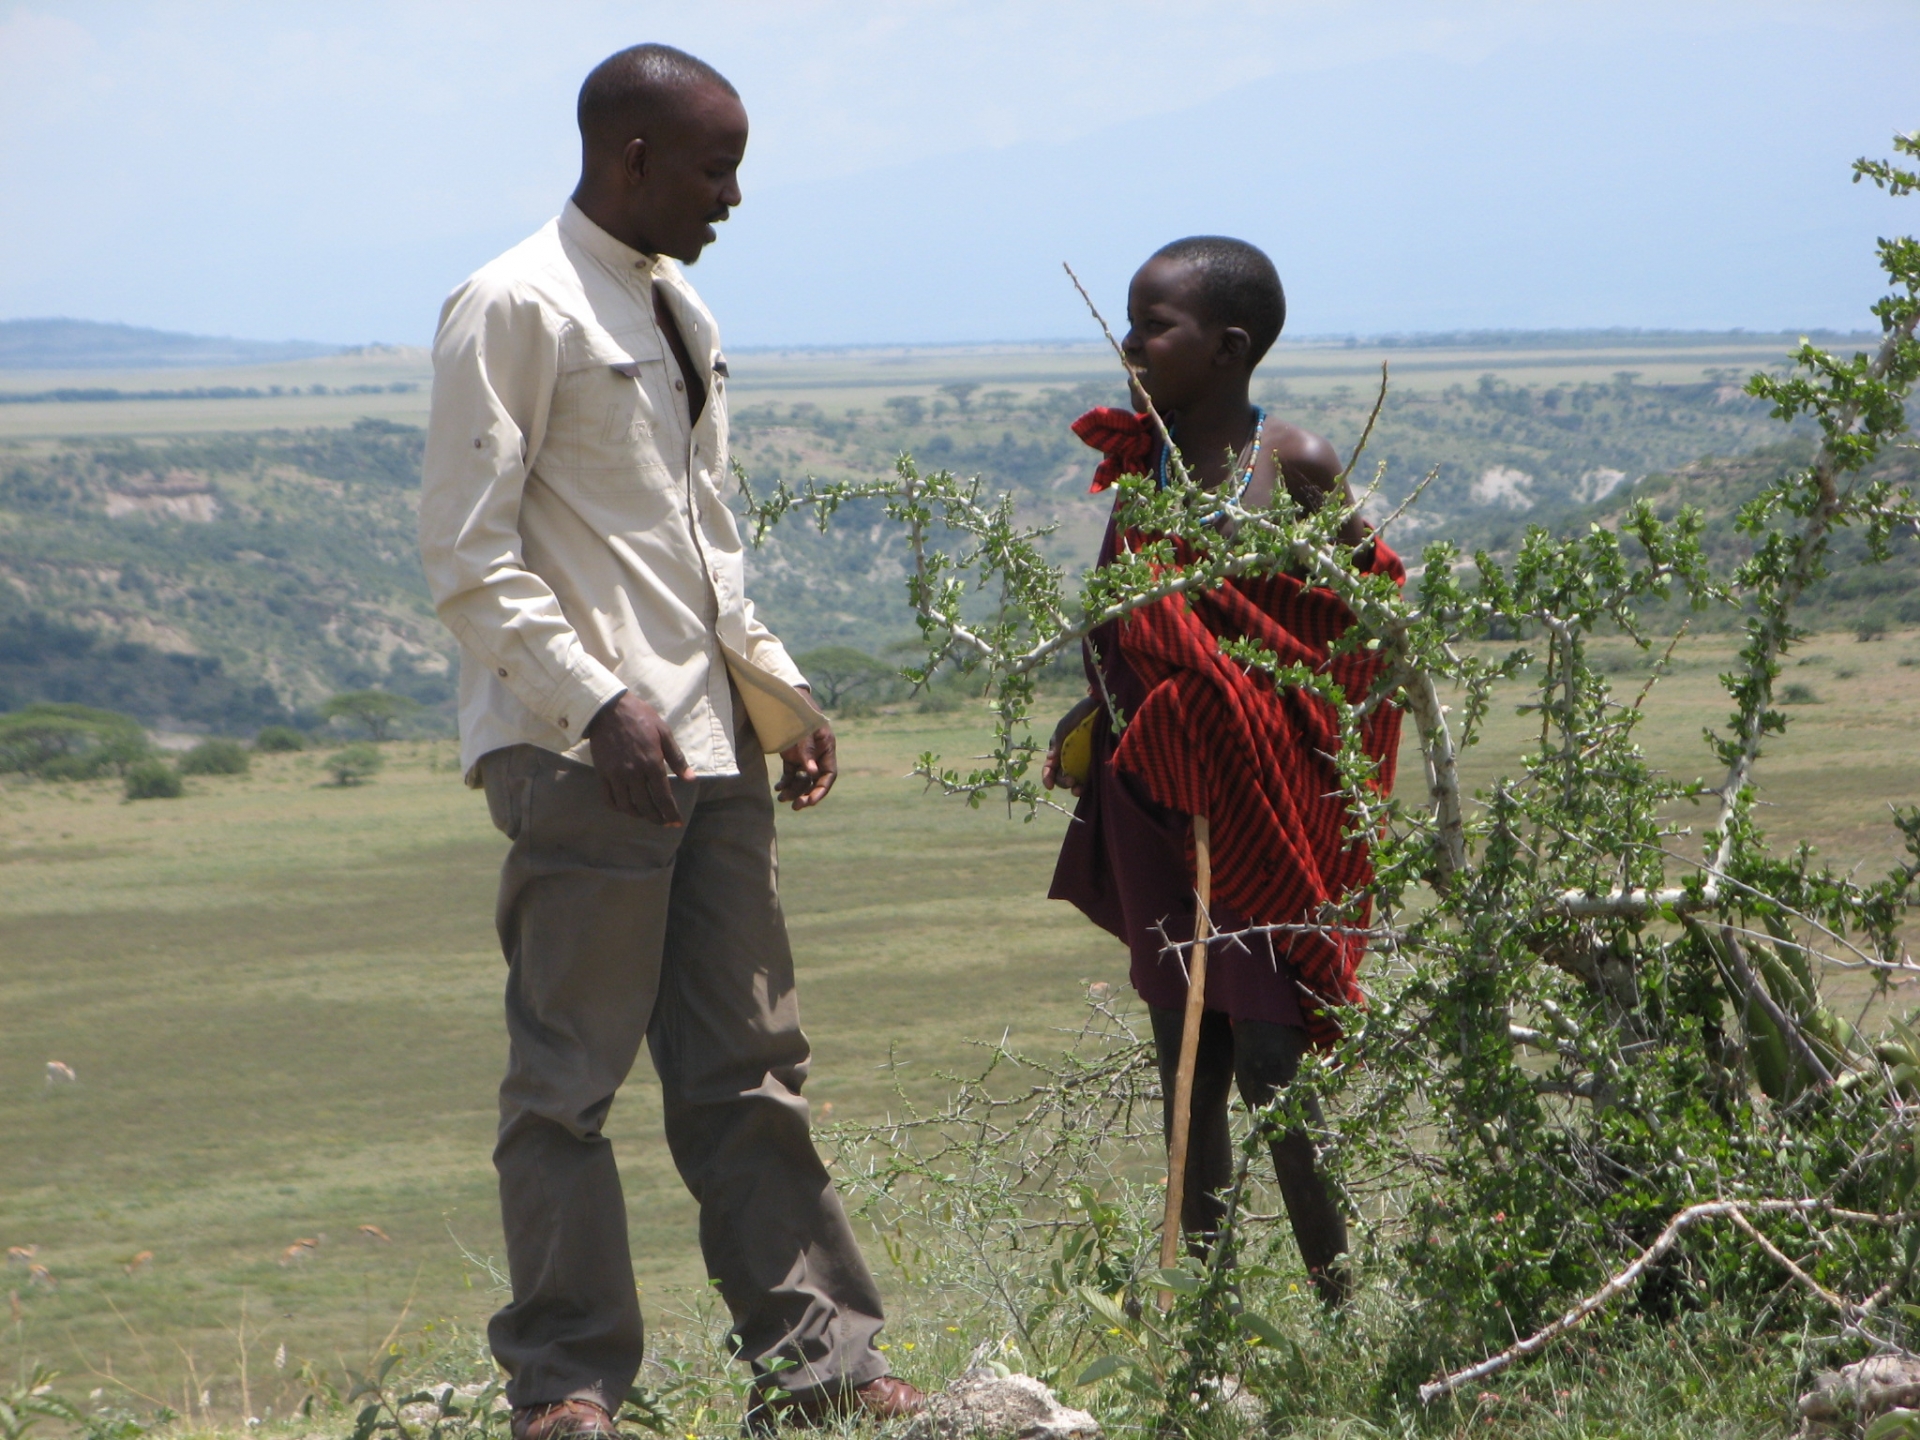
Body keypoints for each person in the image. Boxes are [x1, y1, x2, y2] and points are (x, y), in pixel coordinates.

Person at [418, 44, 924, 1440]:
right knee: (567, 1088)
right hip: (585, 754)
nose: (736, 196)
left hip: (708, 750)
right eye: (716, 165)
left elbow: (700, 552)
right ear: (631, 157)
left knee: (751, 1069)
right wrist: (597, 702)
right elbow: (466, 559)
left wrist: (780, 698)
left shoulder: (677, 306)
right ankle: (568, 1388)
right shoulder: (512, 303)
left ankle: (825, 1370)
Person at [1041, 237, 1405, 1305]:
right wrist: (1112, 702)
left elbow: (1362, 623)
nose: (1130, 344)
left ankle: (1341, 1310)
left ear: (1230, 347)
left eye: (1154, 326)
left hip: (1261, 806)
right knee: (1184, 1059)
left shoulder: (1291, 464)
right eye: (1130, 321)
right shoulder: (1143, 467)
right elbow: (1128, 620)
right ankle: (1198, 1317)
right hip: (1158, 803)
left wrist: (1252, 707)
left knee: (1270, 1057)